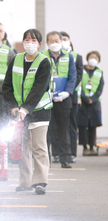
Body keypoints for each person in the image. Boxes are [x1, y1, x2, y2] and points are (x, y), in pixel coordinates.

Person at [3, 29, 52, 195]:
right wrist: (13, 105)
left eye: (33, 40)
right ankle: (25, 181)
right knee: (23, 148)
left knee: (39, 148)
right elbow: (7, 85)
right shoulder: (16, 59)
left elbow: (39, 89)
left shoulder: (44, 62)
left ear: (39, 44)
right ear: (23, 42)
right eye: (27, 40)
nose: (30, 43)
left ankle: (40, 182)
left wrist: (26, 108)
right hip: (19, 112)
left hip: (39, 110)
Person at [41, 31, 76, 168]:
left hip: (63, 98)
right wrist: (45, 92)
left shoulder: (69, 56)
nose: (54, 43)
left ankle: (65, 159)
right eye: (51, 41)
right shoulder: (42, 56)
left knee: (64, 129)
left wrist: (67, 93)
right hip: (46, 98)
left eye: (57, 40)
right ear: (47, 42)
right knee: (47, 130)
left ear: (61, 42)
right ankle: (46, 160)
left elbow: (72, 76)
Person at [60, 31, 83, 163]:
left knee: (72, 125)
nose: (63, 41)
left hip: (71, 96)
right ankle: (57, 153)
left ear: (69, 41)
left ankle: (72, 153)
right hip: (56, 96)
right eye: (60, 39)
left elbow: (78, 76)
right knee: (57, 126)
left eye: (65, 39)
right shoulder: (52, 56)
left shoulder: (76, 57)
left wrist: (68, 90)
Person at [78, 51, 104, 156]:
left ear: (98, 60)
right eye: (92, 57)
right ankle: (85, 147)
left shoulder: (99, 72)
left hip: (95, 102)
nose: (93, 59)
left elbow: (100, 87)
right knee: (83, 125)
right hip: (83, 102)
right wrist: (85, 98)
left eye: (96, 58)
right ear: (87, 58)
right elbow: (79, 85)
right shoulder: (82, 70)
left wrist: (93, 99)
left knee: (93, 125)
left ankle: (92, 146)